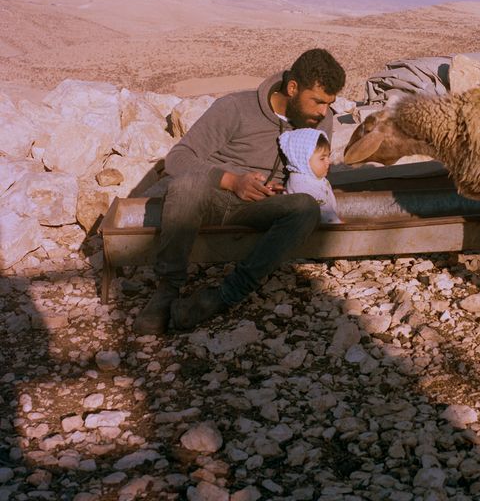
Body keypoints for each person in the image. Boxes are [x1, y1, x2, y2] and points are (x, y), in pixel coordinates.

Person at [133, 48, 346, 335]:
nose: (323, 112)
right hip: (213, 198)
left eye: (328, 103)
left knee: (305, 208)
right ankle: (167, 289)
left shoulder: (321, 120)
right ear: (293, 88)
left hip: (262, 205)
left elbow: (312, 170)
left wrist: (286, 186)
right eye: (318, 101)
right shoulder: (235, 108)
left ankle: (223, 296)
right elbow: (178, 159)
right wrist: (233, 181)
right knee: (184, 186)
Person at [278, 128, 341, 224]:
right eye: (322, 158)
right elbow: (324, 213)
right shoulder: (301, 183)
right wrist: (337, 223)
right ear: (303, 160)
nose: (328, 162)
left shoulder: (316, 179)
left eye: (328, 156)